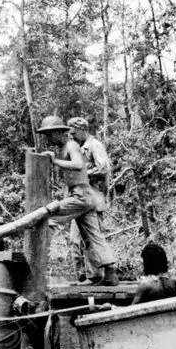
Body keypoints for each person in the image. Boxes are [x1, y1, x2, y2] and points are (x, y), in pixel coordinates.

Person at [36, 115, 118, 286]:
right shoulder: (64, 147)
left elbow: (79, 165)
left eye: (50, 135)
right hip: (84, 195)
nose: (48, 139)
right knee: (93, 236)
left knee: (46, 218)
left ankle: (39, 262)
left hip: (81, 195)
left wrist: (55, 161)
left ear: (59, 132)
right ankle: (108, 273)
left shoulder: (71, 145)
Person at [67, 116, 111, 283]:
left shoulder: (94, 145)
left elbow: (104, 167)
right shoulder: (78, 148)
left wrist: (84, 172)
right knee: (74, 240)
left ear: (82, 130)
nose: (71, 136)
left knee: (93, 239)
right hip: (80, 200)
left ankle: (96, 276)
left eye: (73, 132)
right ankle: (82, 276)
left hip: (94, 199)